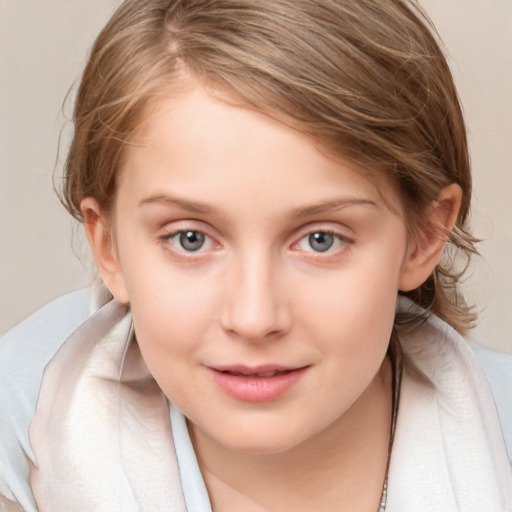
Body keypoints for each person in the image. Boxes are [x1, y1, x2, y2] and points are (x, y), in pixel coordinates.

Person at [1, 0, 511, 510]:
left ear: (424, 235)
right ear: (108, 247)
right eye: (190, 239)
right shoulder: (21, 435)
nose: (253, 318)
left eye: (321, 240)